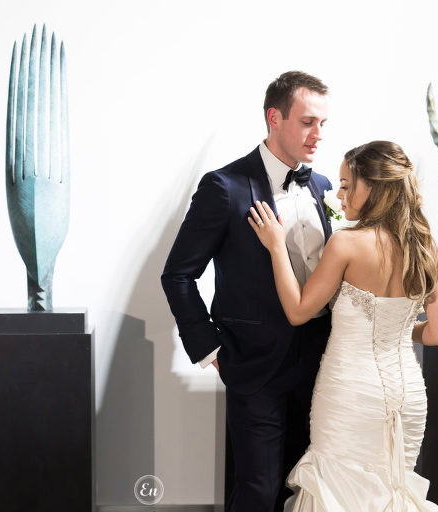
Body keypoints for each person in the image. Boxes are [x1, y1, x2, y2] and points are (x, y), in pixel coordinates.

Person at [247, 140, 438, 510]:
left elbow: (298, 311)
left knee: (337, 490)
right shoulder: (427, 248)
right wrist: (395, 330)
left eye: (345, 184)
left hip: (350, 395)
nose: (338, 194)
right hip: (408, 397)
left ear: (372, 188)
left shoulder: (346, 244)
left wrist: (277, 247)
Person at [161, 71, 333, 511]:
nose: (318, 134)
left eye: (322, 124)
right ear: (274, 118)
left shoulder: (324, 187)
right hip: (255, 366)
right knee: (258, 490)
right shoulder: (224, 187)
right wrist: (210, 348)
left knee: (306, 489)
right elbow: (178, 274)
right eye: (307, 122)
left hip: (323, 364)